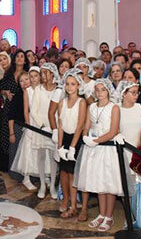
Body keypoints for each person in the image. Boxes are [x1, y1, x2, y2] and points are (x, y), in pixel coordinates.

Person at [74, 79, 125, 232]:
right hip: (93, 148)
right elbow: (87, 125)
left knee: (108, 183)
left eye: (103, 89)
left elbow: (113, 131)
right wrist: (85, 136)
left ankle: (109, 216)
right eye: (97, 90)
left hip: (106, 148)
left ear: (108, 91)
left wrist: (95, 141)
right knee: (98, 182)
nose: (100, 92)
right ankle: (101, 214)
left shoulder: (114, 108)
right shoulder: (91, 106)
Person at [56, 69, 87, 219]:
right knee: (63, 171)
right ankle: (66, 199)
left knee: (72, 174)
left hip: (76, 139)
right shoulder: (61, 102)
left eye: (73, 84)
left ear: (78, 86)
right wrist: (60, 145)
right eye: (67, 84)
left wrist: (73, 147)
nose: (69, 87)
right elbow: (60, 124)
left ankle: (74, 205)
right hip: (65, 139)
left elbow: (80, 125)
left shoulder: (82, 102)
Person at [11, 66, 43, 190]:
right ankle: (26, 177)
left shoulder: (42, 89)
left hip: (42, 122)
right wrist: (28, 126)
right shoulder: (27, 91)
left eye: (36, 76)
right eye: (31, 76)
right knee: (28, 149)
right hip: (32, 123)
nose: (33, 79)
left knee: (41, 149)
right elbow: (26, 109)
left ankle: (42, 174)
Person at [32, 63, 58, 199]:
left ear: (53, 74)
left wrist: (54, 128)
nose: (43, 76)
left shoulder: (58, 90)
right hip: (41, 126)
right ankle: (42, 184)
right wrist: (42, 126)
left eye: (46, 73)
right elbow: (34, 110)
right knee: (41, 156)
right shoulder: (38, 90)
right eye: (42, 73)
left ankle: (53, 185)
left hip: (54, 126)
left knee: (53, 157)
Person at [116, 80, 141, 163]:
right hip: (122, 149)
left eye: (137, 92)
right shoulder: (116, 109)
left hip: (139, 150)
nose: (136, 95)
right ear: (124, 94)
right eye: (133, 93)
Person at [7, 72, 30, 179]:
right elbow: (11, 116)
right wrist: (11, 133)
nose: (24, 82)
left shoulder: (36, 93)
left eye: (26, 79)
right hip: (18, 127)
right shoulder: (17, 97)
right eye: (21, 81)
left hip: (32, 127)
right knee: (16, 151)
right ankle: (16, 175)